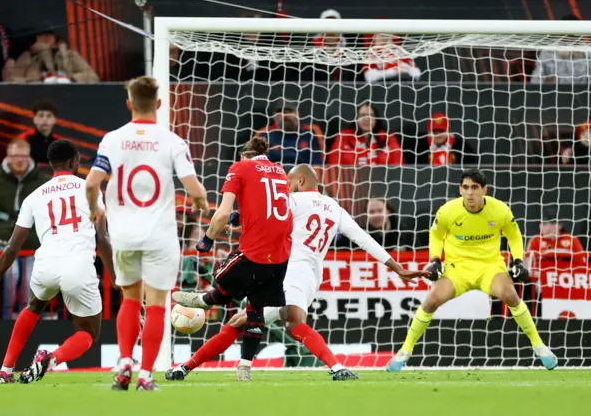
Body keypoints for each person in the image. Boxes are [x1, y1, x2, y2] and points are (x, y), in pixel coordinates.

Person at [166, 164, 429, 382]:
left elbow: (262, 215)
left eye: (289, 181)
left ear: (300, 180)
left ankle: (337, 368)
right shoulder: (335, 208)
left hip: (288, 271)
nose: (285, 186)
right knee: (242, 321)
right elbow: (365, 240)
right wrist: (398, 269)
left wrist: (232, 221)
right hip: (311, 277)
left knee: (290, 322)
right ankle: (184, 367)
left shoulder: (292, 200)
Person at [85, 76, 208, 391]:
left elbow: (90, 183)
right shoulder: (172, 141)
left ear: (129, 104)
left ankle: (125, 360)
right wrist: (200, 202)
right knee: (156, 304)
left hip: (123, 235)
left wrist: (95, 207)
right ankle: (146, 376)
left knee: (129, 299)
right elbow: (193, 187)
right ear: (159, 104)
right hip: (160, 236)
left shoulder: (112, 139)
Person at [386, 169, 558, 372]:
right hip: (457, 268)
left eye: (475, 188)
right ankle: (404, 352)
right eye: (466, 188)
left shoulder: (500, 210)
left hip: (490, 267)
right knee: (432, 299)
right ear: (460, 189)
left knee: (509, 294)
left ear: (484, 190)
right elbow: (436, 235)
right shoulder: (447, 211)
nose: (470, 193)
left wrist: (518, 261)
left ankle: (540, 347)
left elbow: (514, 235)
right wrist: (434, 259)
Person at [0, 140, 114, 384]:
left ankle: (5, 370)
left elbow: (11, 246)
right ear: (74, 162)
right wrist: (116, 276)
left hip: (45, 264)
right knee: (89, 332)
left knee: (33, 307)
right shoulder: (90, 189)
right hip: (78, 266)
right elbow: (102, 238)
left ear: (51, 165)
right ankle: (51, 359)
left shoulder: (33, 196)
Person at [172, 136, 293, 382]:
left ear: (242, 156)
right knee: (254, 313)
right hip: (280, 257)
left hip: (254, 253)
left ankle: (205, 300)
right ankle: (245, 368)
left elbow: (222, 212)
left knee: (222, 275)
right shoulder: (279, 171)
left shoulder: (240, 167)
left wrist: (208, 238)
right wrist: (242, 216)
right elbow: (271, 207)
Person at [0, 139, 50, 319]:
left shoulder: (43, 181)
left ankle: (24, 318)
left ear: (29, 157)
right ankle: (7, 318)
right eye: (15, 156)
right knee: (12, 274)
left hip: (33, 245)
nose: (19, 160)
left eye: (23, 156)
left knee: (30, 277)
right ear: (8, 157)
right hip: (3, 242)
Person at [9, 27, 99, 83]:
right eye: (42, 35)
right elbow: (12, 80)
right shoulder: (28, 56)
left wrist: (70, 79)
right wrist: (39, 81)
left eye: (49, 35)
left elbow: (92, 76)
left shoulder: (70, 54)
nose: (46, 38)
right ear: (37, 37)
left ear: (54, 37)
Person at [327, 103, 403, 166]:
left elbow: (398, 165)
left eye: (371, 115)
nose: (366, 119)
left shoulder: (388, 138)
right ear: (356, 118)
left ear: (376, 119)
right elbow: (333, 165)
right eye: (362, 115)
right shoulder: (344, 137)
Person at [258, 100, 323, 166]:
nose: (285, 115)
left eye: (289, 111)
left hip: (303, 173)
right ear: (274, 116)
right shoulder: (264, 134)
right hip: (273, 173)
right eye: (280, 112)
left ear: (297, 113)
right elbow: (257, 162)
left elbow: (318, 163)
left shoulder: (310, 132)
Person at [531, 15, 591, 85]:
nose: (569, 38)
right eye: (566, 34)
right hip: (554, 93)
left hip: (582, 93)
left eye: (573, 35)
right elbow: (537, 78)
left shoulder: (587, 52)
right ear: (560, 32)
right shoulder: (548, 51)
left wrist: (576, 54)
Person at [18, 100, 60, 165]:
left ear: (55, 120)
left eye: (49, 116)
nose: (45, 119)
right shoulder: (24, 139)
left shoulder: (59, 142)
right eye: (41, 115)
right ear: (34, 119)